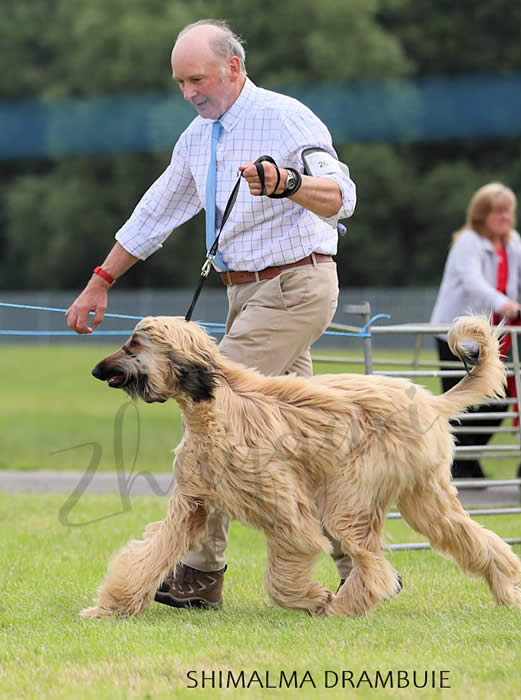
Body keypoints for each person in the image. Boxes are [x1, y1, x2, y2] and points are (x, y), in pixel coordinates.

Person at [66, 19, 357, 609]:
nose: (190, 92)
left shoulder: (284, 117)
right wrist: (100, 280)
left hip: (295, 285)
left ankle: (198, 571)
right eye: (180, 82)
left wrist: (287, 182)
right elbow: (156, 212)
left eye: (197, 78)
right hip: (243, 294)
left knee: (211, 416)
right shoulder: (198, 136)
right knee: (301, 440)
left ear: (233, 68)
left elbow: (341, 196)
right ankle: (360, 562)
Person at [430, 182, 521, 479]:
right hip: (458, 337)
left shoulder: (512, 243)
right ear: (482, 214)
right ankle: (457, 464)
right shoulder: (468, 243)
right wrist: (505, 303)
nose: (505, 217)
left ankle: (467, 459)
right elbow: (474, 281)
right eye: (498, 211)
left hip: (492, 338)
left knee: (496, 399)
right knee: (460, 401)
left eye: (508, 211)